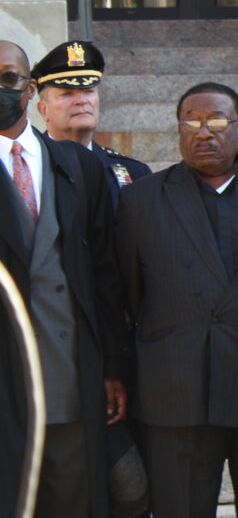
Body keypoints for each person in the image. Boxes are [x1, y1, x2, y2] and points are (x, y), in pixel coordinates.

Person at [116, 82, 238, 517]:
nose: (203, 132)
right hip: (177, 392)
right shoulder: (140, 202)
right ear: (178, 130)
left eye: (217, 121)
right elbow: (128, 294)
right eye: (191, 122)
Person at [0, 40, 130, 517]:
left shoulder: (79, 165)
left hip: (71, 375)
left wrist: (113, 364)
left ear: (30, 88)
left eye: (8, 78)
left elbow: (104, 274)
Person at [31, 40, 150, 211]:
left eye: (89, 92)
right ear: (43, 109)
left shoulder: (134, 172)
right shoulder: (26, 168)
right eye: (67, 94)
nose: (81, 101)